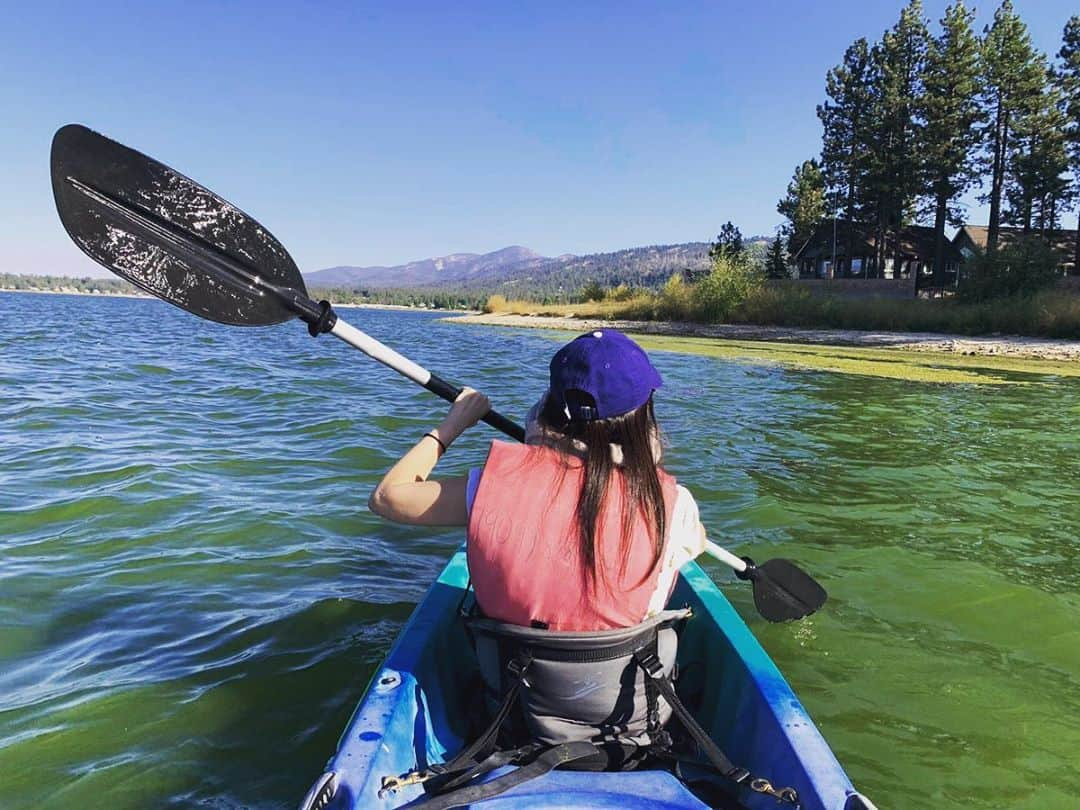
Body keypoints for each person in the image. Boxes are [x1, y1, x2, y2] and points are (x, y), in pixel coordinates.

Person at [368, 329, 708, 632]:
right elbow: (699, 541)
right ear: (643, 419)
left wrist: (453, 424)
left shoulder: (490, 486)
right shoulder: (676, 505)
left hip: (510, 691)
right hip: (627, 698)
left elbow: (387, 496)